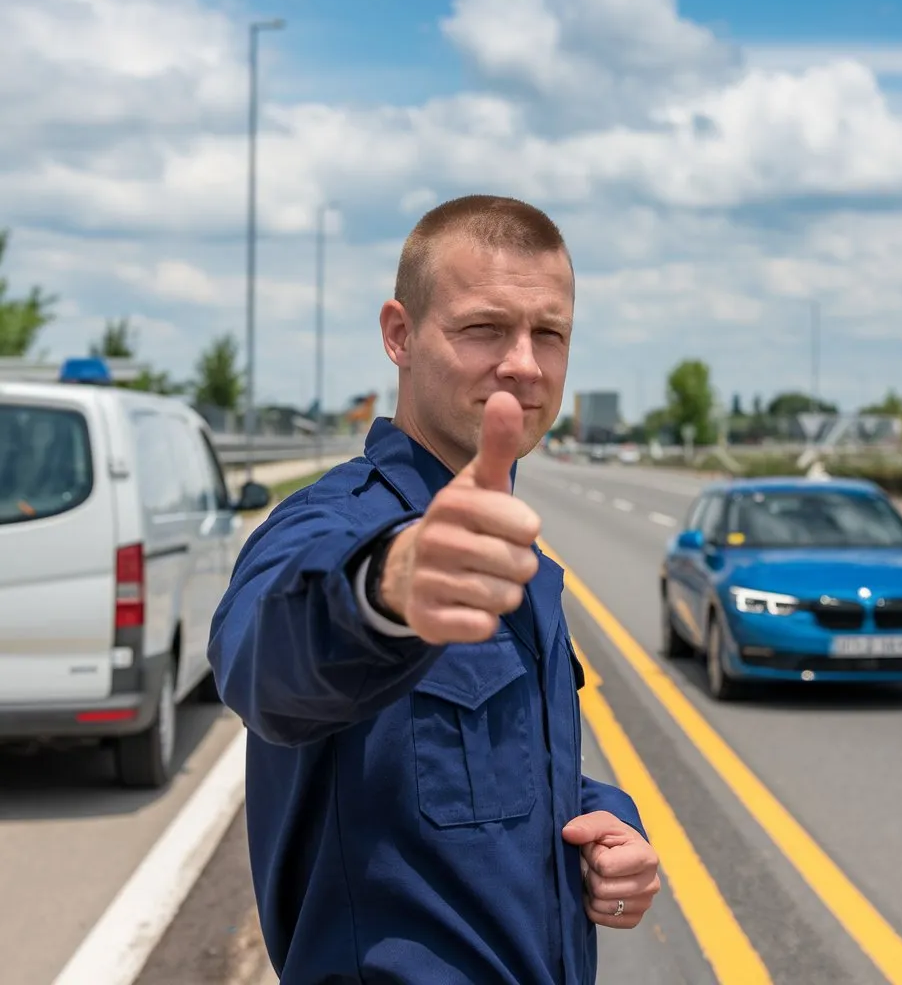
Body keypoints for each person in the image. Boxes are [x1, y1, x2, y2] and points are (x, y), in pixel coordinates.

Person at [208, 194, 661, 985]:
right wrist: (384, 590)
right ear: (400, 335)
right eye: (484, 328)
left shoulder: (516, 558)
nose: (523, 362)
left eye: (549, 334)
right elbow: (260, 668)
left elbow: (468, 773)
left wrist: (605, 825)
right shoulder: (334, 529)